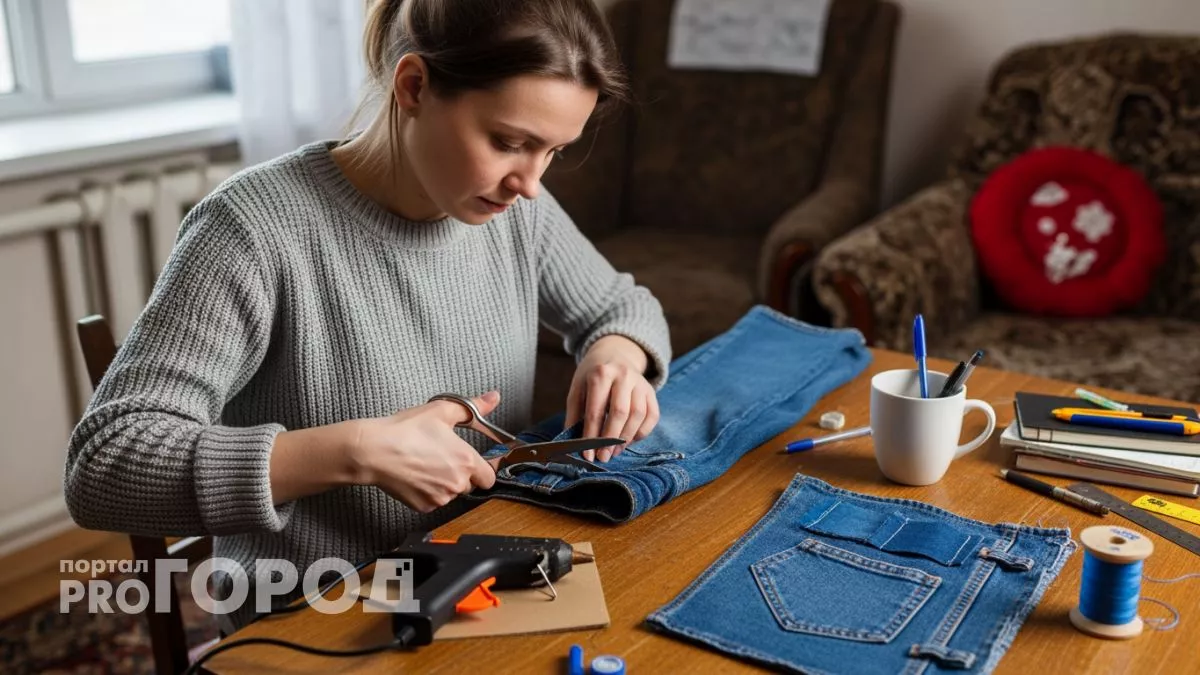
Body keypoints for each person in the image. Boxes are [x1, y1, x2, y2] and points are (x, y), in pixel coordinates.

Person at [63, 0, 670, 634]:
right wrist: (354, 452)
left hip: (483, 581)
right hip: (320, 616)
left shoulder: (517, 213)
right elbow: (103, 465)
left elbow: (622, 306)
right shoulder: (253, 231)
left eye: (553, 152)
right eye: (509, 142)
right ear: (413, 87)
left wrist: (617, 356)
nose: (531, 183)